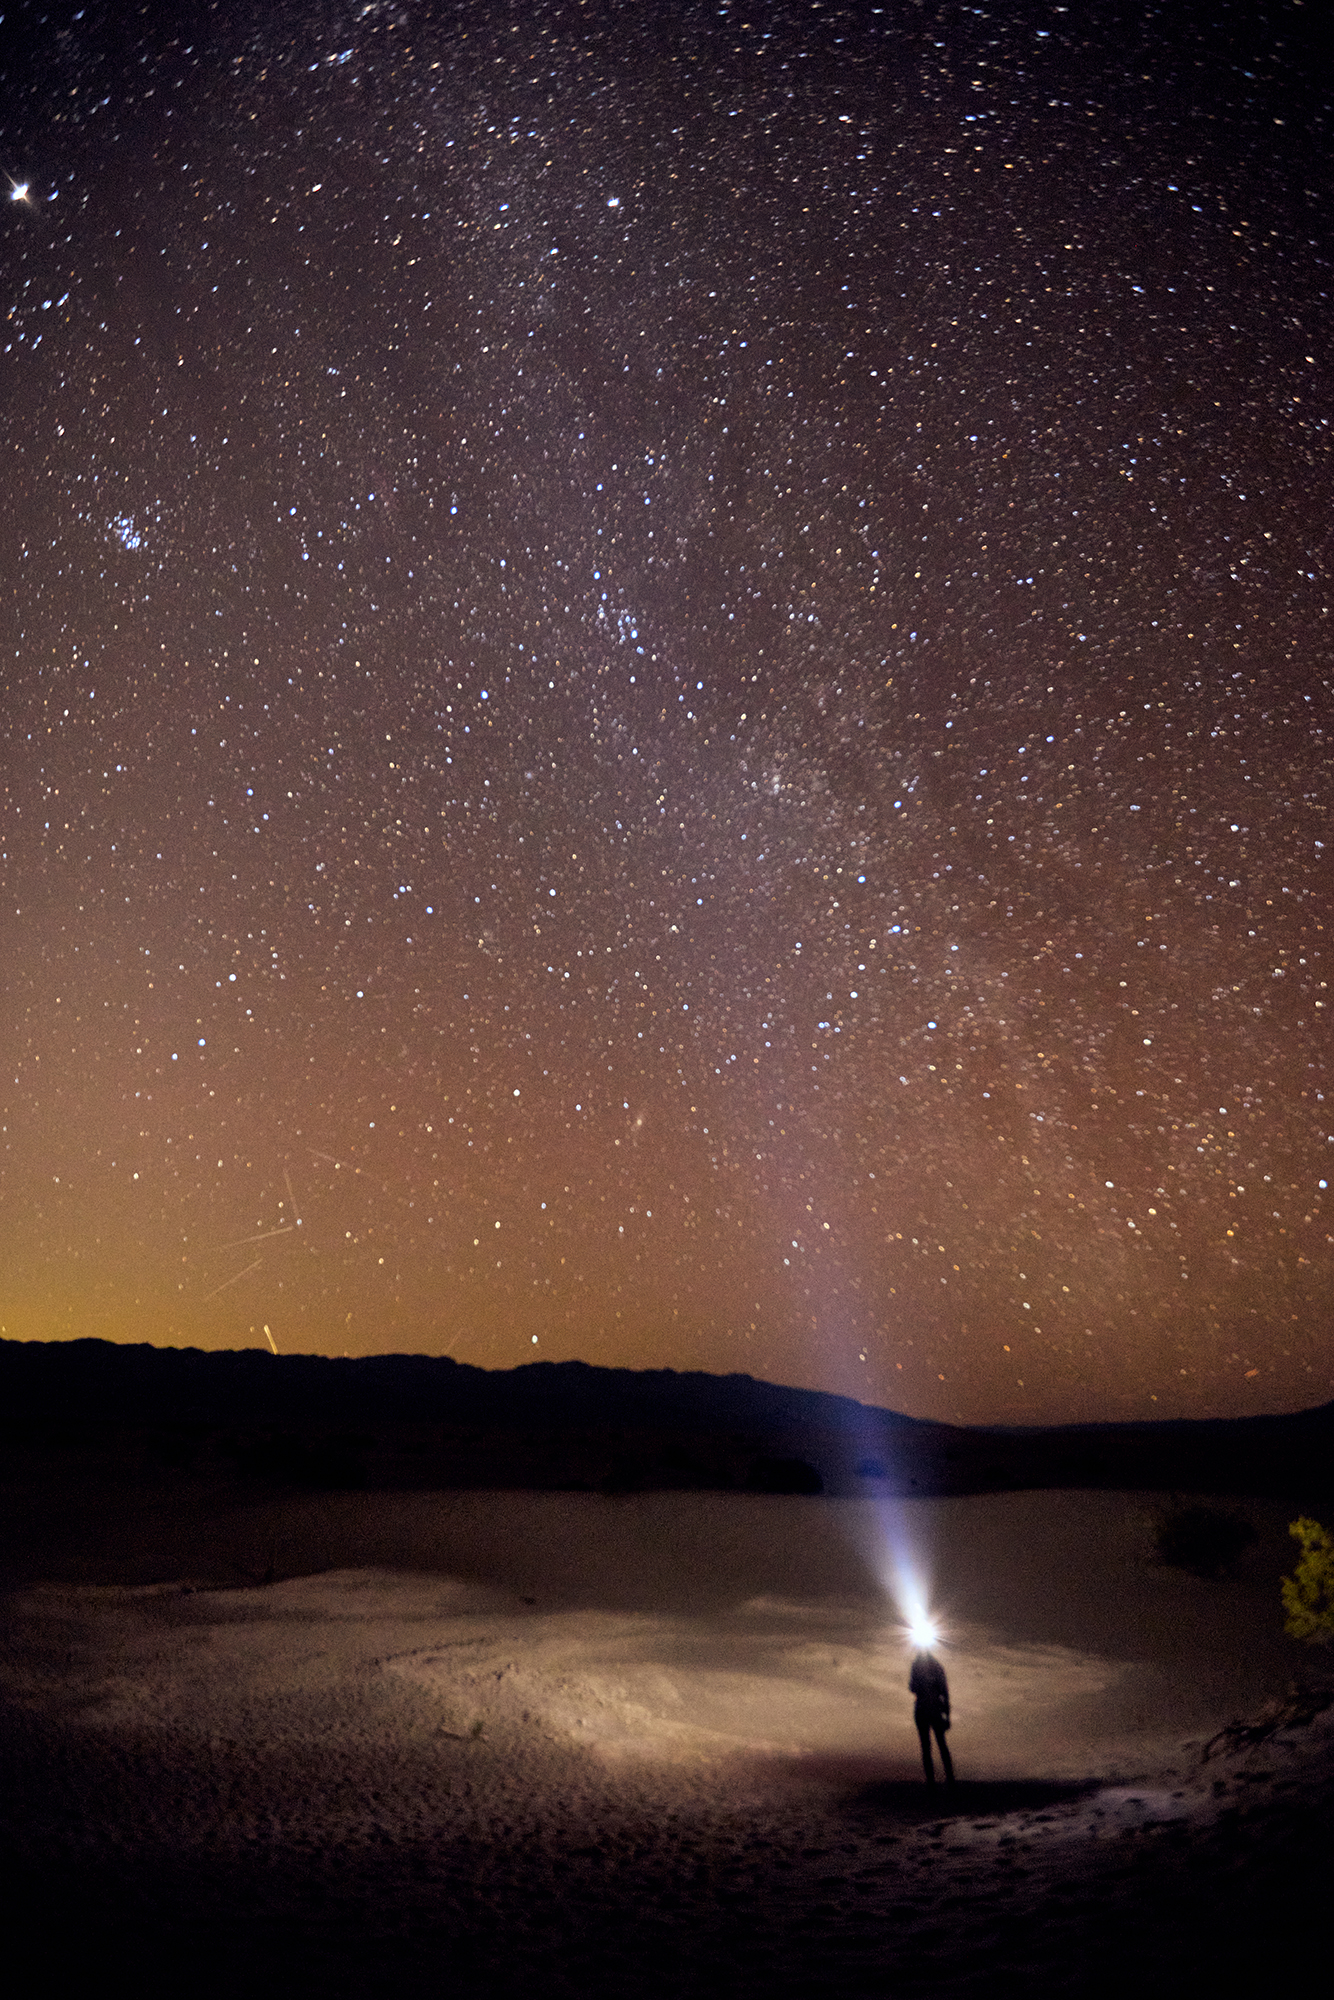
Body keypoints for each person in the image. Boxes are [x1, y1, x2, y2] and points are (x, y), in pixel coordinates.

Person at [909, 1649, 955, 1785]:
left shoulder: (926, 1666)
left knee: (931, 1745)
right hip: (929, 1708)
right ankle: (943, 1779)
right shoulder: (929, 1666)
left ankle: (938, 1780)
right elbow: (944, 1693)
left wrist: (947, 1714)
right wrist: (947, 1714)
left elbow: (912, 1687)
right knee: (935, 1745)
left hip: (928, 1708)